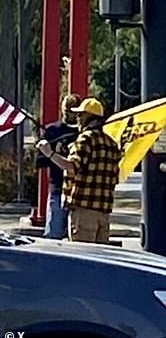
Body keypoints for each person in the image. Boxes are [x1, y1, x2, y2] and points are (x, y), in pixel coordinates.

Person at [36, 97, 121, 244]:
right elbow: (116, 176)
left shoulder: (84, 139)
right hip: (104, 212)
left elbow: (71, 166)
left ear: (90, 117)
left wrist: (49, 153)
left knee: (83, 256)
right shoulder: (112, 144)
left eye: (81, 114)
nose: (78, 118)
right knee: (101, 257)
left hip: (83, 210)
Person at [36, 94, 81, 239]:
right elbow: (41, 162)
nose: (70, 114)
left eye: (73, 111)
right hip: (58, 188)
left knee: (79, 238)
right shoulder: (52, 131)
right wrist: (52, 151)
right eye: (67, 110)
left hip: (80, 191)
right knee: (53, 235)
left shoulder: (84, 134)